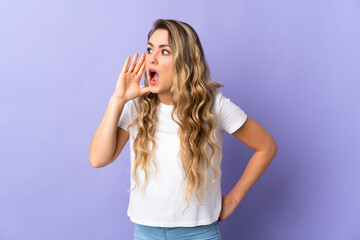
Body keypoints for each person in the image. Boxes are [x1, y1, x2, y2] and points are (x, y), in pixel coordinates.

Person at [89, 19, 278, 240]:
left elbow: (266, 147)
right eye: (149, 49)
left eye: (164, 51)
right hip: (146, 232)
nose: (152, 58)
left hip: (199, 233)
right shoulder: (136, 105)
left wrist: (234, 199)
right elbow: (98, 159)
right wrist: (117, 99)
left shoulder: (213, 105)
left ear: (184, 61)